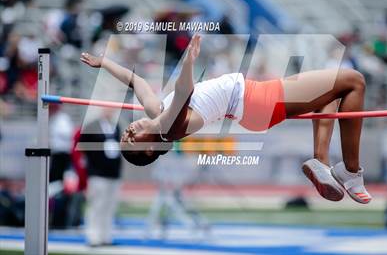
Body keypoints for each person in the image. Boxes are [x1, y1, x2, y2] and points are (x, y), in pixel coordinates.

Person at [80, 34, 371, 204]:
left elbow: (137, 80)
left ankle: (320, 161)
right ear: (148, 148)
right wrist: (189, 61)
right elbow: (184, 90)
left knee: (331, 93)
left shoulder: (157, 114)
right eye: (130, 140)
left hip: (254, 101)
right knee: (354, 81)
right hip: (257, 101)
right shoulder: (169, 128)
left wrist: (104, 62)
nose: (128, 131)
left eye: (124, 133)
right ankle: (351, 171)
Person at [78, 108, 122, 247]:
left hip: (113, 173)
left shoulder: (116, 126)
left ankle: (106, 237)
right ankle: (93, 237)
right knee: (96, 205)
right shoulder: (92, 126)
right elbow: (82, 146)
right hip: (97, 173)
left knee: (109, 207)